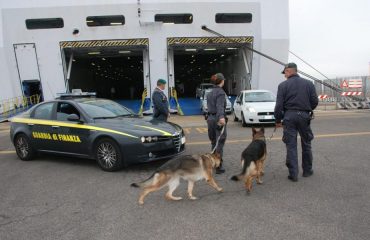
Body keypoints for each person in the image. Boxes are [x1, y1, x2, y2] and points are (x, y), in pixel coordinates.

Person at [274, 63, 318, 182]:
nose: (285, 76)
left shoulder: (283, 85)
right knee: (306, 143)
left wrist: (278, 120)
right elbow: (314, 101)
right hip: (304, 116)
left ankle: (293, 174)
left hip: (289, 116)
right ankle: (307, 171)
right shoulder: (309, 83)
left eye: (285, 73)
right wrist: (307, 109)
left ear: (289, 71)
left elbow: (279, 105)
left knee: (291, 145)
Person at [206, 73, 227, 174]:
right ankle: (218, 166)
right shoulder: (221, 93)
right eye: (224, 80)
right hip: (218, 119)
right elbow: (220, 107)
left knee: (213, 141)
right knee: (219, 143)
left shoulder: (209, 92)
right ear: (221, 81)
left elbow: (209, 107)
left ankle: (213, 163)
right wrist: (222, 117)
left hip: (210, 119)